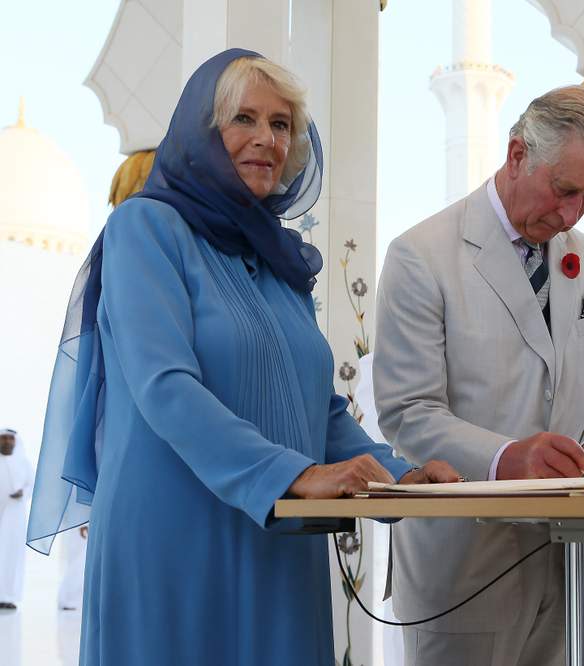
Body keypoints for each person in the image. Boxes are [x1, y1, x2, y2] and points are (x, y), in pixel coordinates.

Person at [26, 49, 458, 666]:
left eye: (281, 124)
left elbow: (317, 408)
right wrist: (291, 475)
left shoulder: (280, 261)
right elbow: (164, 386)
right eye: (243, 119)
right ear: (202, 133)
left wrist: (398, 475)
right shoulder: (146, 229)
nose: (266, 139)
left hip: (277, 538)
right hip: (176, 539)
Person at [374, 85, 584, 666]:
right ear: (517, 155)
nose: (571, 216)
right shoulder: (421, 256)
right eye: (563, 190)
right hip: (463, 564)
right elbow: (409, 413)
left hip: (568, 564)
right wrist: (507, 459)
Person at [0, 428, 33, 610]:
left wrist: (23, 493)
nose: (7, 441)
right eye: (3, 438)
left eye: (10, 439)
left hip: (15, 520)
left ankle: (7, 596)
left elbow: (31, 485)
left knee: (12, 557)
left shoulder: (23, 463)